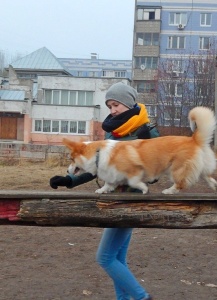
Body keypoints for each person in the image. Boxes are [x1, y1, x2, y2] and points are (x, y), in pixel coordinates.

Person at [50, 82, 159, 300]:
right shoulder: (112, 135)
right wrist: (69, 180)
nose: (112, 110)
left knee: (105, 257)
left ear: (128, 103)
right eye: (109, 106)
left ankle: (141, 297)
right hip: (114, 200)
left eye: (116, 104)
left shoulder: (147, 131)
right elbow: (95, 168)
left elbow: (155, 174)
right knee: (117, 257)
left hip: (130, 201)